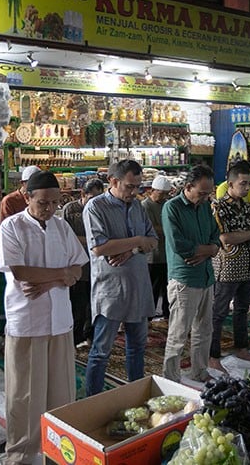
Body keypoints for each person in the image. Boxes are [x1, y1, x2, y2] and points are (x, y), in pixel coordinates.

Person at [0, 171, 88, 465]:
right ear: (27, 197)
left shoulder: (61, 227)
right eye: (43, 202)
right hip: (27, 322)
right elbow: (22, 273)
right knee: (25, 395)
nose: (49, 208)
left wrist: (53, 280)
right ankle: (21, 455)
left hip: (60, 321)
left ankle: (58, 453)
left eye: (54, 203)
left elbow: (78, 269)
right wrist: (63, 275)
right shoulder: (12, 227)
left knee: (61, 393)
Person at [82, 160, 158, 396]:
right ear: (113, 182)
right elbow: (100, 248)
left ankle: (134, 396)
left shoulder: (137, 207)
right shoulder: (95, 207)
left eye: (138, 187)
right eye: (129, 186)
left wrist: (131, 250)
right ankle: (92, 401)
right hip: (111, 290)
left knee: (136, 347)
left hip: (138, 287)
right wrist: (137, 241)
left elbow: (153, 241)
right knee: (101, 351)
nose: (134, 192)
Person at [162, 165, 220, 383]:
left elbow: (216, 238)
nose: (206, 197)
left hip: (205, 276)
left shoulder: (205, 207)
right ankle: (171, 379)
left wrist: (209, 251)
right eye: (202, 193)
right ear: (188, 187)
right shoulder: (172, 208)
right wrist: (209, 250)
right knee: (178, 334)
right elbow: (179, 245)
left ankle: (199, 372)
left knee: (204, 330)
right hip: (184, 279)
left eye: (208, 193)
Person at [209, 163, 250, 371]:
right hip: (228, 268)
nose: (247, 188)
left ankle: (242, 347)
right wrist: (249, 234)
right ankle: (212, 355)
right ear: (230, 183)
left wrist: (247, 235)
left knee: (242, 309)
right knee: (219, 312)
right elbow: (224, 238)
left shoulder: (247, 207)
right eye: (243, 183)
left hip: (248, 266)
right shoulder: (218, 207)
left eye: (249, 183)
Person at [61, 178, 104, 345]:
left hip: (97, 267)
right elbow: (66, 237)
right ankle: (74, 340)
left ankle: (91, 337)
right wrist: (92, 241)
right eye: (92, 198)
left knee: (94, 306)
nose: (96, 202)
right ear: (82, 194)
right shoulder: (70, 210)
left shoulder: (101, 210)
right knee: (78, 307)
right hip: (77, 267)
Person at [142, 175, 173, 320]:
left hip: (167, 255)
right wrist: (170, 229)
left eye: (166, 194)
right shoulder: (145, 206)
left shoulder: (167, 204)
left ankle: (167, 318)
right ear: (152, 190)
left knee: (168, 290)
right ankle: (148, 320)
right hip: (152, 257)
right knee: (151, 291)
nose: (164, 197)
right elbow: (151, 229)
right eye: (162, 194)